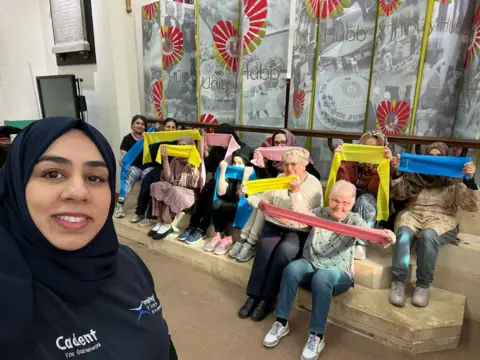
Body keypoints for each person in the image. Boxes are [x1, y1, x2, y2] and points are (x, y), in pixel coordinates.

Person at [0, 117, 176, 360]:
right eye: (53, 173)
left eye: (95, 178)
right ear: (17, 184)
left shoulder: (127, 261)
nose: (78, 193)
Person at [263, 180, 396, 359]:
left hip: (338, 273)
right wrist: (274, 212)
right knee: (292, 269)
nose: (339, 206)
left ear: (352, 204)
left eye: (345, 203)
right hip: (311, 263)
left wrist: (385, 236)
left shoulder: (355, 220)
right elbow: (298, 220)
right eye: (335, 200)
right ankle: (281, 322)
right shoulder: (320, 212)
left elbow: (372, 237)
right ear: (329, 198)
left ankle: (316, 335)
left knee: (323, 277)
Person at [389, 142, 479, 308]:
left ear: (445, 159)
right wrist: (396, 172)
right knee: (403, 233)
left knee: (428, 236)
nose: (434, 160)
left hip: (442, 218)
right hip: (413, 213)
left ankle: (423, 286)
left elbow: (471, 206)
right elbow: (399, 195)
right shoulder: (415, 176)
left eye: (439, 157)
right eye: (430, 156)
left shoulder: (454, 179)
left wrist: (470, 181)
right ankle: (398, 282)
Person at [238, 149, 323, 322]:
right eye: (286, 164)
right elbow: (260, 198)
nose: (289, 168)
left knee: (283, 253)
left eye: (293, 164)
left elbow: (307, 217)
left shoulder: (314, 184)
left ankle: (267, 300)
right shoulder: (278, 179)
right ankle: (253, 295)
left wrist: (296, 192)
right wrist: (261, 203)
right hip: (273, 225)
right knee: (264, 250)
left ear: (304, 164)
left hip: (297, 230)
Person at [230, 129, 321, 262]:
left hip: (293, 219)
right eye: (276, 143)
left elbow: (305, 210)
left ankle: (250, 242)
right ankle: (245, 239)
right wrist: (262, 166)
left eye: (283, 143)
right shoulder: (274, 165)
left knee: (264, 205)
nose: (279, 147)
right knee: (262, 203)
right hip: (274, 206)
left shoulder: (309, 172)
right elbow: (267, 185)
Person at [334, 130, 399, 260]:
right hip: (353, 194)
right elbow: (343, 182)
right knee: (343, 197)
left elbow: (374, 190)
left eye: (374, 148)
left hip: (372, 201)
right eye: (365, 146)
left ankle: (361, 243)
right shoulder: (353, 160)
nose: (369, 150)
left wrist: (384, 164)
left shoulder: (387, 164)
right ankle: (339, 240)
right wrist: (342, 159)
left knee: (364, 201)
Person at [178, 124, 244, 244]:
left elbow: (244, 168)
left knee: (212, 198)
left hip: (232, 184)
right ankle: (192, 225)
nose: (222, 141)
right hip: (216, 180)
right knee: (203, 193)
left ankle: (201, 228)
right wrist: (206, 150)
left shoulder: (240, 148)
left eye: (225, 137)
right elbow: (209, 166)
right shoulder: (217, 149)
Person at [149, 136, 200, 240]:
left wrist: (192, 166)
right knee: (156, 185)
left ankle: (167, 224)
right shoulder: (175, 159)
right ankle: (159, 221)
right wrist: (166, 160)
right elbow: (168, 179)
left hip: (188, 192)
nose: (181, 147)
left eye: (184, 145)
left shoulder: (195, 159)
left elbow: (194, 184)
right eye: (179, 145)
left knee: (173, 190)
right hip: (174, 186)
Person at [130, 118, 178, 226]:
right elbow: (151, 154)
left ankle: (151, 216)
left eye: (173, 127)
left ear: (177, 128)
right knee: (147, 179)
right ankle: (140, 212)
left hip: (174, 170)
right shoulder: (160, 139)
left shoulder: (180, 140)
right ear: (164, 128)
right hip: (160, 167)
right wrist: (147, 139)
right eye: (168, 127)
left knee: (156, 182)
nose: (170, 129)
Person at [206, 147, 254, 255]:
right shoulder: (230, 173)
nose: (236, 166)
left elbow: (242, 197)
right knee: (216, 204)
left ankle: (228, 238)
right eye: (234, 162)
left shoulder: (249, 174)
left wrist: (245, 178)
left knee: (229, 207)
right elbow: (221, 192)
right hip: (226, 203)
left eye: (240, 163)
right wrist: (223, 170)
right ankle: (219, 236)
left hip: (238, 207)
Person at [114, 115, 155, 218]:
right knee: (129, 177)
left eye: (142, 124)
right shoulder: (127, 139)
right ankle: (119, 205)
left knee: (148, 179)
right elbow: (124, 154)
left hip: (148, 166)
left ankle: (140, 207)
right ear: (132, 125)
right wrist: (123, 161)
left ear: (145, 127)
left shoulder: (150, 137)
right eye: (137, 123)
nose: (140, 126)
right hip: (135, 167)